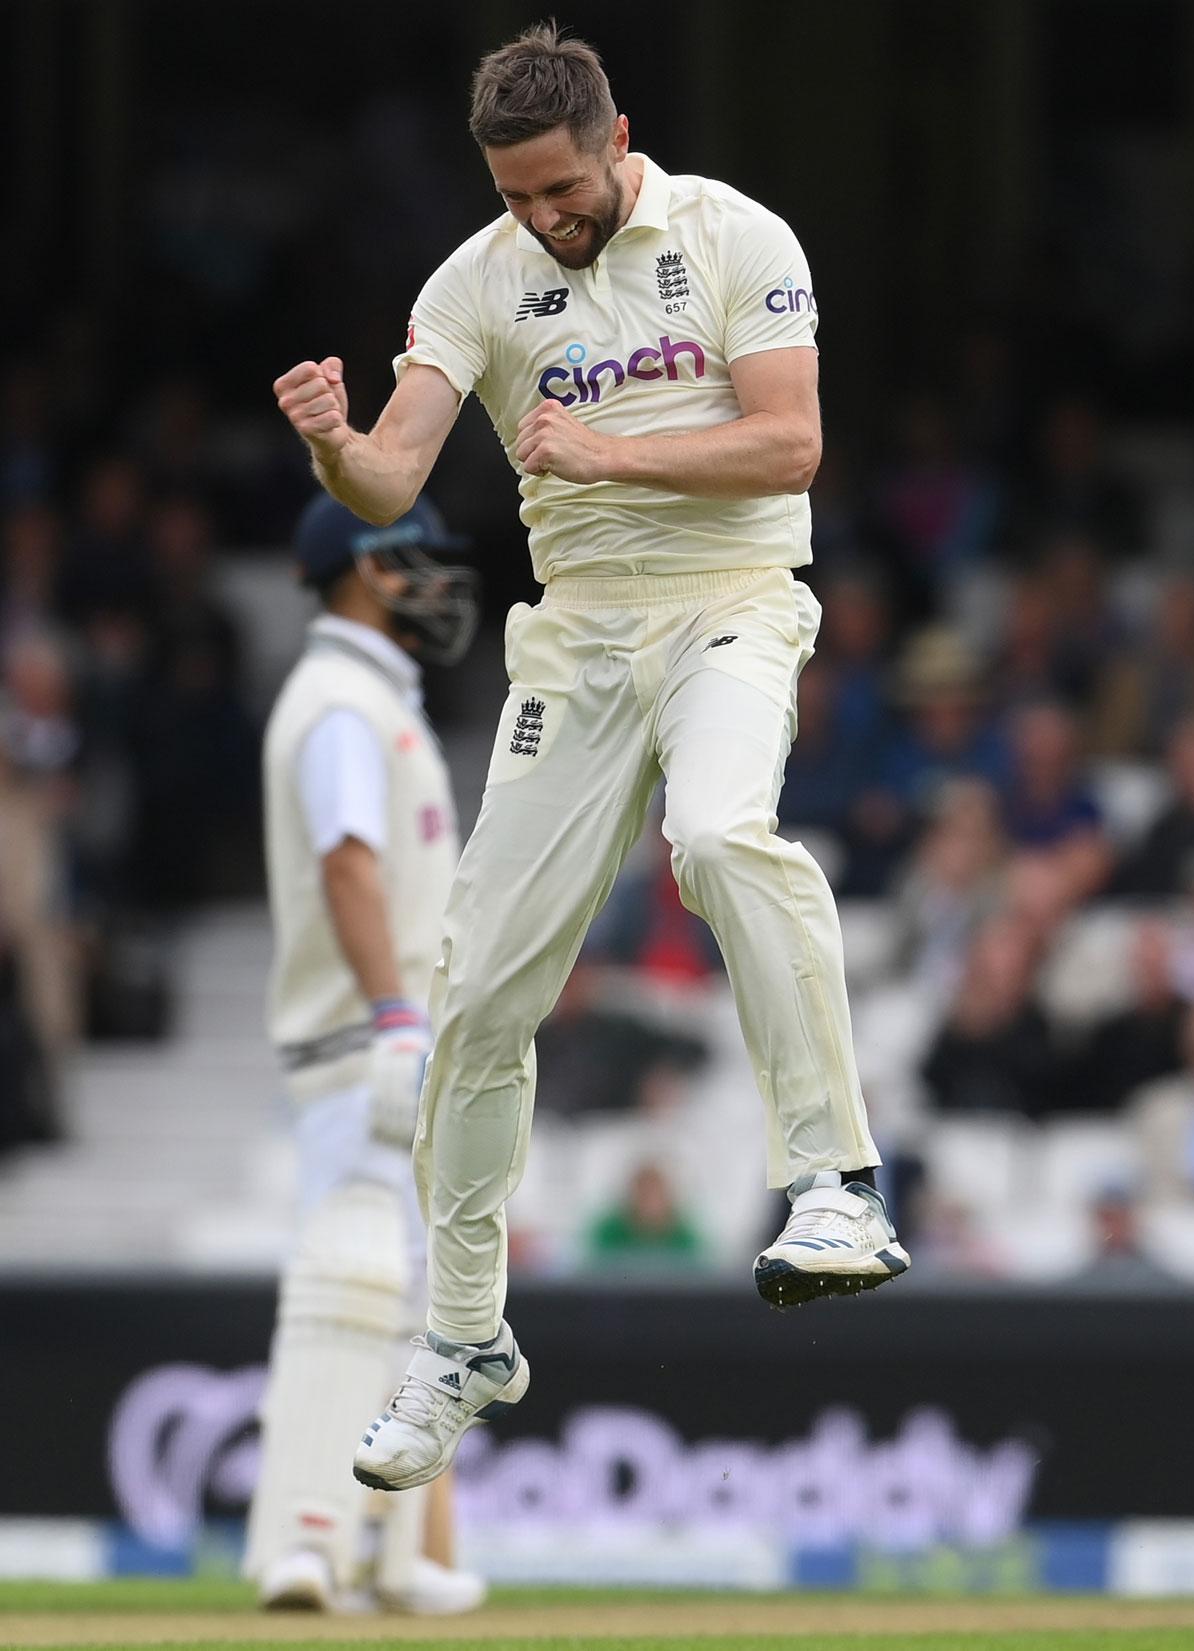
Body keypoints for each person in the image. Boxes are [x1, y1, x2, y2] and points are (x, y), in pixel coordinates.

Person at [272, 22, 910, 1500]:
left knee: (719, 834)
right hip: (578, 644)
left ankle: (834, 1183)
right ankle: (464, 1337)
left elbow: (791, 442)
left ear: (617, 138)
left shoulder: (737, 232)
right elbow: (389, 474)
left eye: (561, 188)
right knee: (481, 991)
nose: (541, 220)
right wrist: (328, 443)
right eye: (514, 197)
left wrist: (610, 453)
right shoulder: (476, 280)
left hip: (734, 610)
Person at [243, 491, 484, 1614]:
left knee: (404, 1306)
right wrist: (395, 1016)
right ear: (362, 571)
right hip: (361, 1039)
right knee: (347, 1284)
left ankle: (395, 1554)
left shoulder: (375, 696)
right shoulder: (341, 701)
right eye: (412, 560)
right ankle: (300, 1542)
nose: (433, 582)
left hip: (389, 1035)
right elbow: (347, 862)